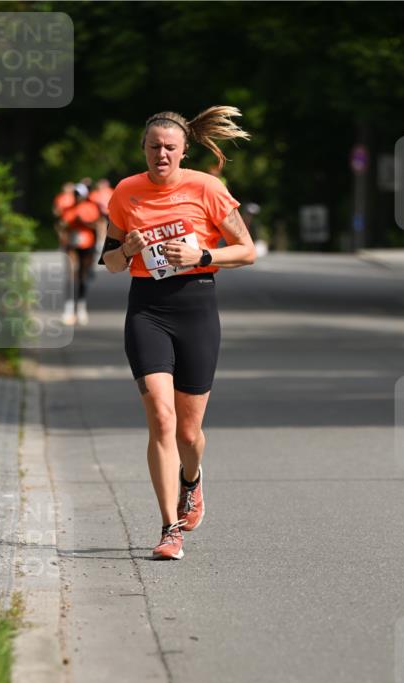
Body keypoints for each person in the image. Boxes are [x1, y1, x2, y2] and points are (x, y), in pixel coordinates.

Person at [100, 106, 256, 559]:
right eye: (154, 147)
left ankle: (192, 479)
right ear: (143, 149)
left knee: (189, 434)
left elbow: (246, 251)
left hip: (197, 310)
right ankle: (170, 528)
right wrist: (125, 249)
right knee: (161, 421)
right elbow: (108, 263)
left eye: (170, 147)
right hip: (147, 310)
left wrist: (203, 256)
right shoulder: (126, 193)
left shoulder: (207, 188)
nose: (161, 154)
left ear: (184, 150)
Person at [58, 183, 101, 325]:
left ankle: (81, 307)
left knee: (83, 275)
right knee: (71, 274)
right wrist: (67, 226)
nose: (77, 197)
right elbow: (62, 225)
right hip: (72, 244)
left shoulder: (91, 207)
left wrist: (83, 222)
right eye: (75, 194)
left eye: (79, 194)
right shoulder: (68, 209)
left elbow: (96, 224)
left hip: (87, 244)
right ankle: (68, 309)